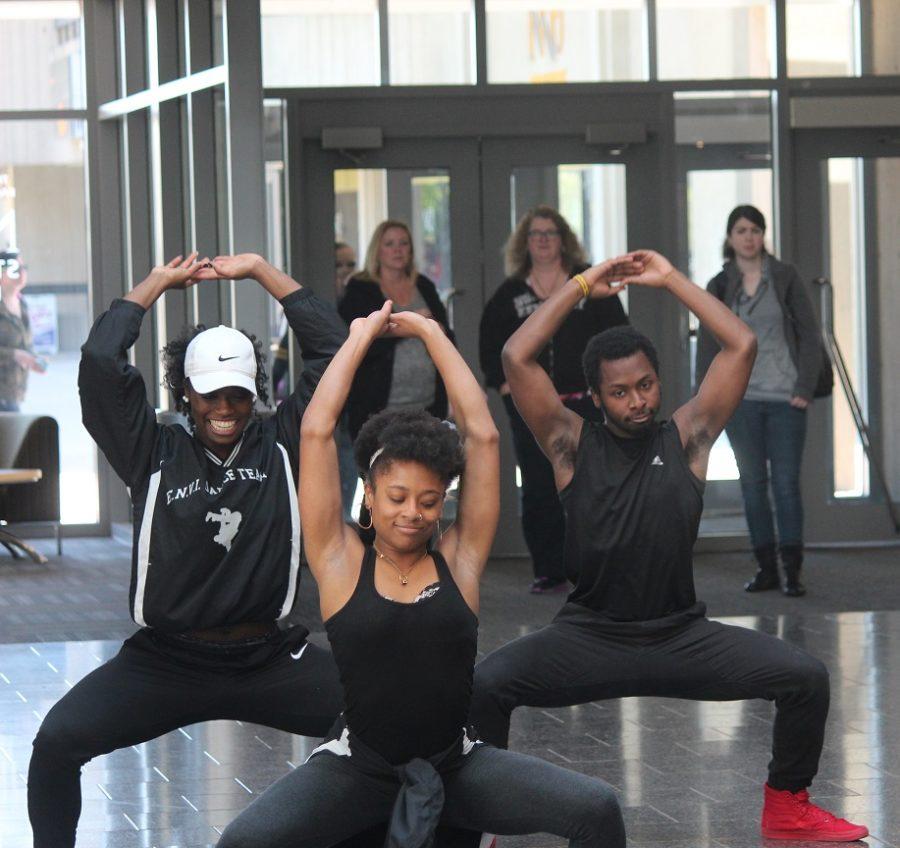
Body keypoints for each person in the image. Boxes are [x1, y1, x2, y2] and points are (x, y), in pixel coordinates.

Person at [470, 252, 868, 841]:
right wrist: (583, 284)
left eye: (647, 385)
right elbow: (515, 355)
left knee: (805, 677)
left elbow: (741, 345)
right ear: (598, 398)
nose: (638, 401)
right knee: (484, 687)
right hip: (590, 636)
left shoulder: (689, 438)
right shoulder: (569, 444)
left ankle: (787, 808)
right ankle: (485, 816)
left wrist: (670, 280)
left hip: (681, 636)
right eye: (621, 392)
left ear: (660, 380)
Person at [216, 303, 626, 848]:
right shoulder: (340, 560)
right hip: (359, 769)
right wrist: (359, 338)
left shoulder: (460, 559)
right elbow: (315, 431)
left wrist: (432, 333)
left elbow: (482, 435)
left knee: (596, 809)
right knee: (242, 842)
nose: (414, 512)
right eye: (398, 497)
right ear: (369, 492)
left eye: (430, 501)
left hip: (454, 763)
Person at [28, 253, 347, 848]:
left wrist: (262, 272)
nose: (224, 409)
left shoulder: (285, 444)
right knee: (56, 743)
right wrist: (156, 284)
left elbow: (335, 349)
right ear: (182, 392)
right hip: (166, 661)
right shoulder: (151, 450)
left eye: (238, 395)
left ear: (255, 393)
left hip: (268, 657)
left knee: (389, 724)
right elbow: (100, 362)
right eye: (208, 396)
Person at [479, 207, 627, 594]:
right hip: (533, 407)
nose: (543, 240)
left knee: (592, 483)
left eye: (550, 233)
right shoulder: (510, 294)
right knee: (539, 485)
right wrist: (503, 384)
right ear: (525, 244)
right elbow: (490, 344)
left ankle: (594, 566)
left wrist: (609, 387)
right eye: (535, 234)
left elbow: (618, 337)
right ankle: (549, 568)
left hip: (587, 403)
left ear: (564, 240)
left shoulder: (591, 284)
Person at [697, 205, 822, 597]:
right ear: (730, 237)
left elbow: (810, 335)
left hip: (786, 398)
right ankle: (765, 567)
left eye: (755, 230)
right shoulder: (719, 284)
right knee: (752, 484)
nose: (749, 237)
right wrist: (709, 400)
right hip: (741, 399)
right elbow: (707, 345)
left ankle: (792, 571)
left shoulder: (785, 277)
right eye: (741, 230)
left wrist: (803, 387)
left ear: (763, 235)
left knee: (785, 484)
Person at [339, 220, 452, 440]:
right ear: (377, 251)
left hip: (428, 404)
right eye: (390, 244)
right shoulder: (360, 289)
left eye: (404, 243)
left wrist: (437, 330)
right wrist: (413, 325)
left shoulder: (424, 285)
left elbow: (446, 334)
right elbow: (358, 341)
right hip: (377, 405)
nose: (398, 250)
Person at [272, 241, 359, 517]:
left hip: (357, 406)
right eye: (338, 265)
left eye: (350, 264)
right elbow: (293, 353)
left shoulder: (360, 296)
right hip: (331, 409)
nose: (345, 271)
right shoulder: (320, 309)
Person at [0, 250, 46, 412]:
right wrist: (14, 355)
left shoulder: (22, 305)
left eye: (23, 267)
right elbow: (16, 351)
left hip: (14, 393)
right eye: (15, 269)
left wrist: (33, 359)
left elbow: (25, 345)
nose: (21, 273)